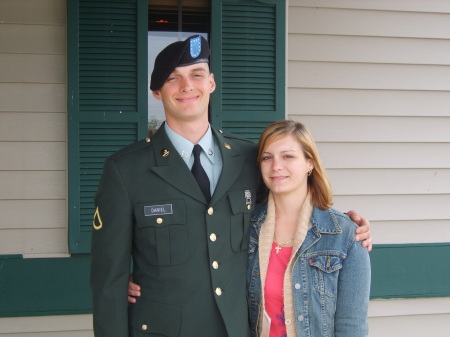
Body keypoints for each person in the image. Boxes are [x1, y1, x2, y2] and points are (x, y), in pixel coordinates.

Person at [91, 35, 371, 337]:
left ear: (211, 83)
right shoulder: (126, 169)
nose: (187, 86)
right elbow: (109, 280)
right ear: (157, 92)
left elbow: (293, 209)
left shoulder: (250, 159)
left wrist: (350, 228)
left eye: (196, 74)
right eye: (173, 79)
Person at [247, 120, 371, 336]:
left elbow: (352, 326)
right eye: (267, 157)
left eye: (288, 156)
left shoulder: (346, 235)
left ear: (309, 163)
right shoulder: (246, 227)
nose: (276, 166)